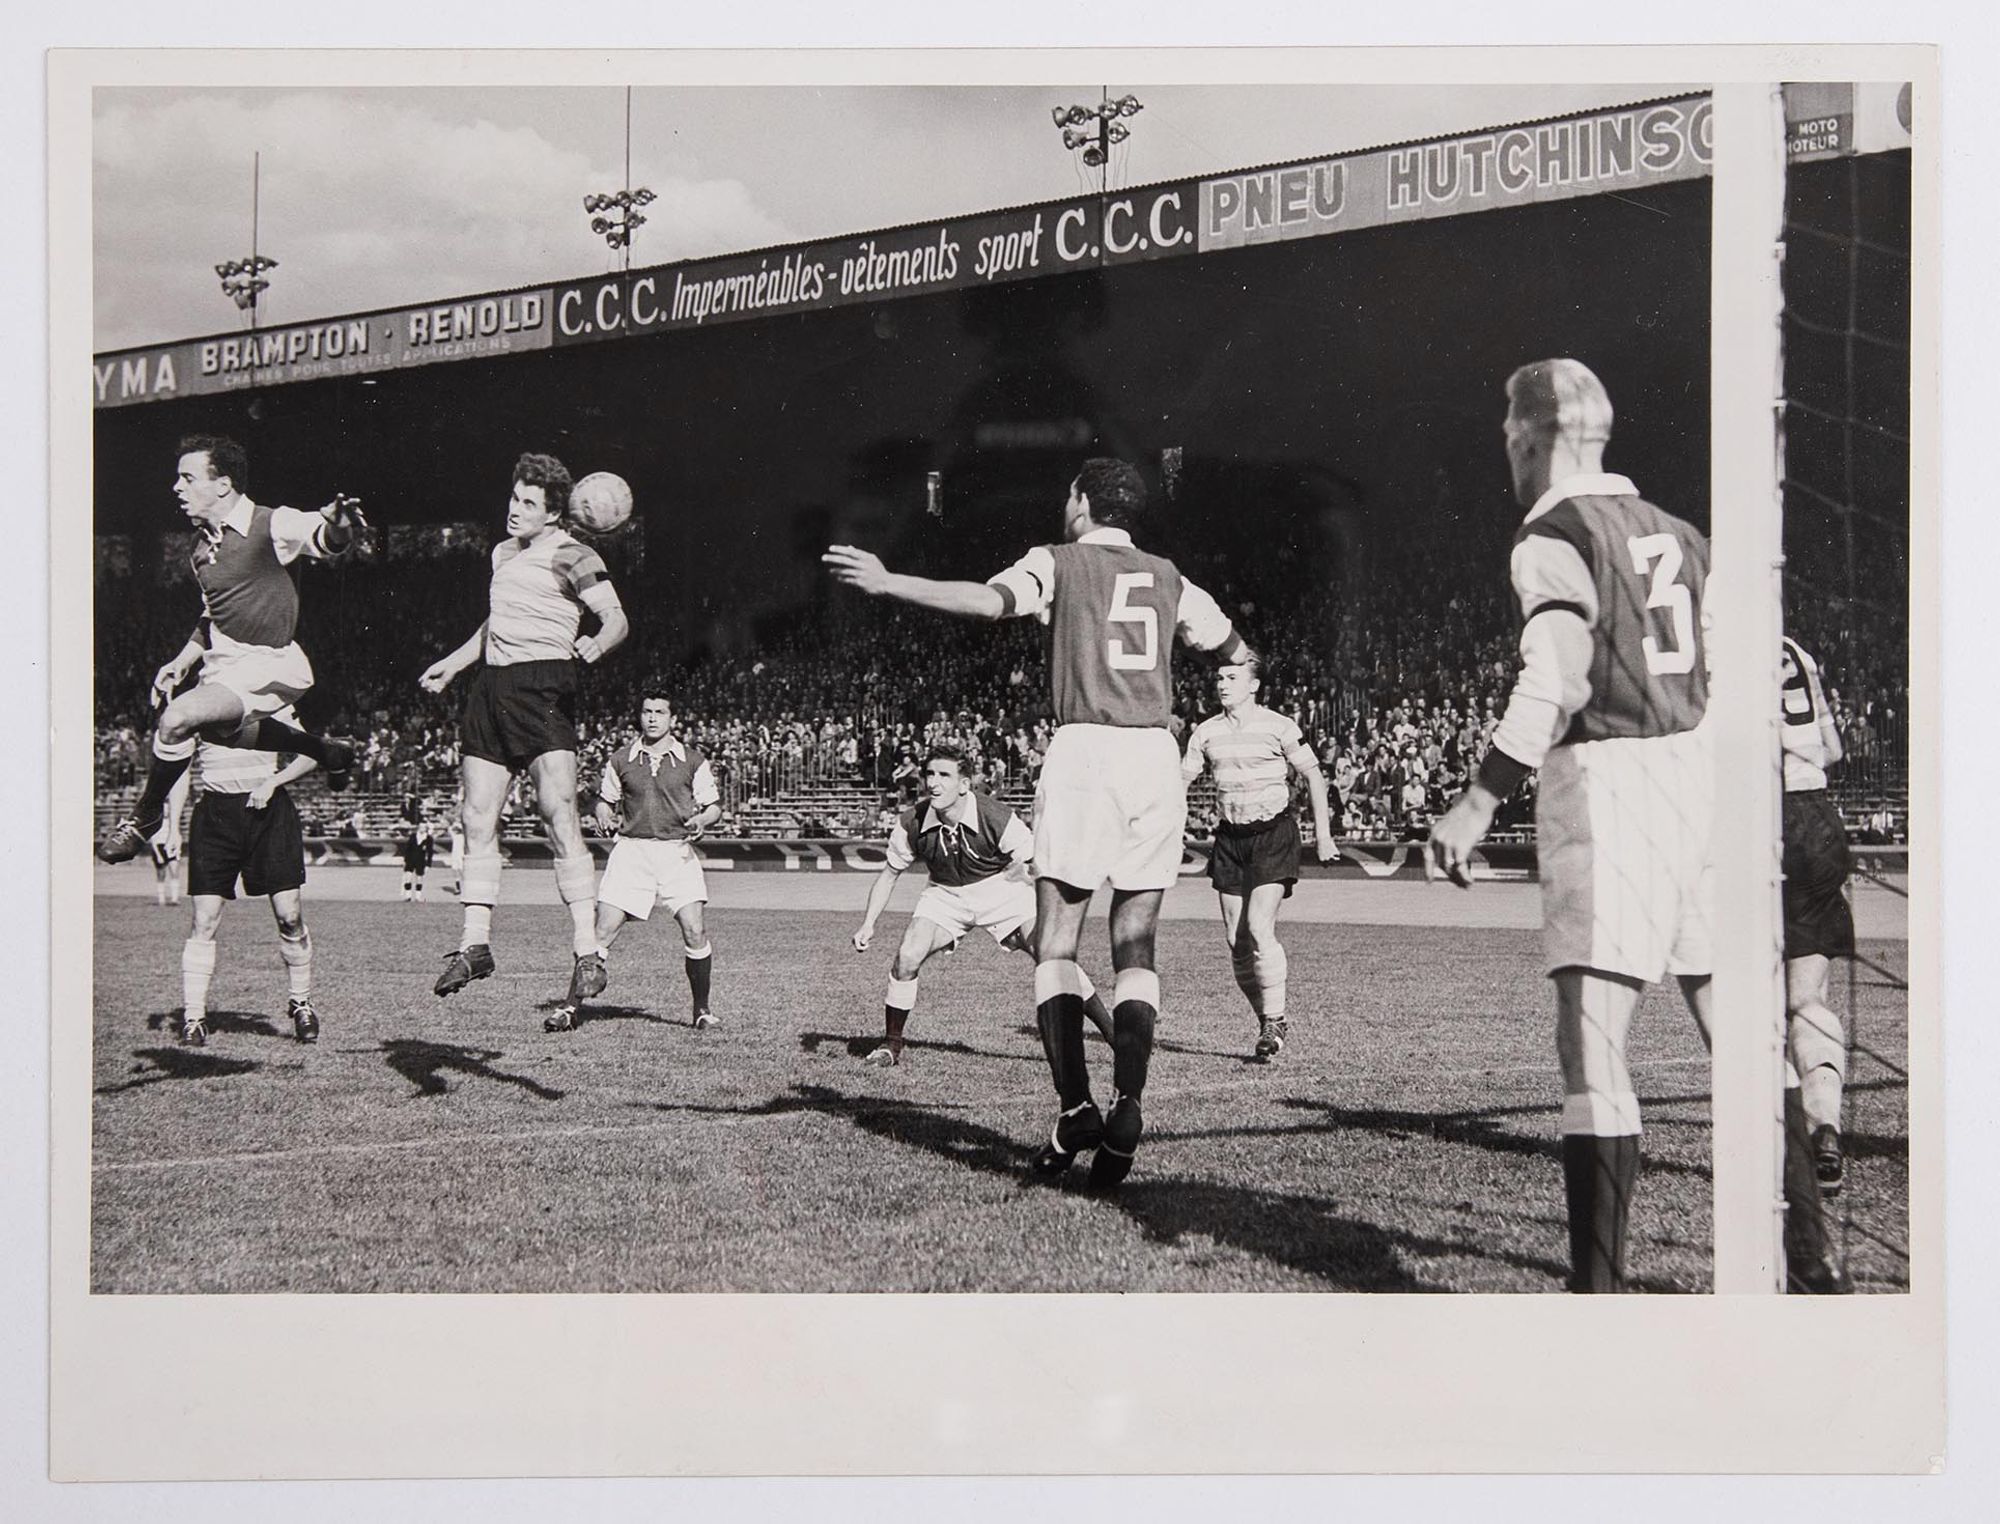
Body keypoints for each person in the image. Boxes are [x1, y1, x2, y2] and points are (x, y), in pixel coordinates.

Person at [1427, 358, 1840, 1294]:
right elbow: (1738, 681)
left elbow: (1561, 669)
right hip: (1707, 783)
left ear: (1532, 434)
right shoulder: (1688, 536)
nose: (1503, 440)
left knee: (1594, 1039)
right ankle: (1811, 1263)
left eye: (1505, 423)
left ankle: (1600, 1299)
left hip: (1611, 784)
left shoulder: (1552, 533)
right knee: (1739, 1032)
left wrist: (1482, 795)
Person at [826, 457, 1252, 1189]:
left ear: (1082, 501)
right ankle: (1129, 1103)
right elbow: (1235, 650)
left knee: (1057, 940)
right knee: (1136, 943)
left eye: (1068, 495)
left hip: (1085, 748)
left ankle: (1075, 1106)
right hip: (1155, 753)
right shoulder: (1170, 575)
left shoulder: (1057, 560)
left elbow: (990, 602)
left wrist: (892, 582)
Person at [419, 453, 630, 1007]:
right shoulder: (502, 554)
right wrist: (456, 662)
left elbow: (615, 618)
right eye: (514, 499)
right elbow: (496, 621)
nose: (514, 510)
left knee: (557, 811)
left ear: (555, 512)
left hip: (544, 684)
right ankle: (474, 946)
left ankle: (587, 952)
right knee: (475, 815)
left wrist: (597, 643)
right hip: (491, 687)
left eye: (528, 504)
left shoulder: (575, 555)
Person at [97, 435, 364, 863]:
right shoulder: (200, 550)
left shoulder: (269, 523)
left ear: (222, 484)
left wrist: (338, 524)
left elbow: (325, 538)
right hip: (224, 665)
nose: (176, 488)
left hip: (268, 662)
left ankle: (146, 816)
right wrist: (181, 660)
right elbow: (212, 616)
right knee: (215, 730)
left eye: (187, 478)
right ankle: (326, 751)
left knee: (178, 719)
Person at [849, 743, 1115, 1067]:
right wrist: (868, 922)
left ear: (964, 784)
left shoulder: (997, 817)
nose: (934, 783)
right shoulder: (911, 822)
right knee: (906, 957)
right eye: (929, 774)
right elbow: (889, 874)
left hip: (1004, 887)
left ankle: (1117, 1038)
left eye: (944, 775)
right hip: (945, 895)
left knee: (1053, 956)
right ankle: (891, 1045)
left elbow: (1038, 865)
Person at [1180, 659, 1339, 1059]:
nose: (1222, 683)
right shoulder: (1206, 732)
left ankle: (1273, 1019)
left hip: (1272, 835)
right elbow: (1180, 782)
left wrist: (1323, 836)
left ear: (1254, 686)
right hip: (1230, 839)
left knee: (1257, 926)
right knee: (1236, 941)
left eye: (1232, 678)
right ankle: (1270, 1021)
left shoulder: (1278, 726)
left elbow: (1314, 776)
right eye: (1218, 676)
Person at [548, 690, 719, 1033]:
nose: (652, 717)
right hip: (631, 851)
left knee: (695, 928)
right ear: (639, 717)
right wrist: (602, 815)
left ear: (673, 720)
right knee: (601, 931)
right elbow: (603, 801)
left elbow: (713, 806)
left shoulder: (693, 760)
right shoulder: (621, 759)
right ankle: (569, 1008)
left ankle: (702, 1011)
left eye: (660, 712)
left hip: (676, 852)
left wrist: (703, 820)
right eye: (647, 712)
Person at [176, 711, 321, 1048]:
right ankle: (194, 1018)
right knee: (204, 919)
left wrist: (273, 781)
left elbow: (312, 752)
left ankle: (301, 1002)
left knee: (290, 916)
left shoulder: (271, 701)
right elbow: (179, 771)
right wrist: (170, 826)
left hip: (269, 812)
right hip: (215, 816)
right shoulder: (200, 707)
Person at [1780, 634, 1856, 1196]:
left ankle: (1775, 1144)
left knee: (1747, 1001)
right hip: (1819, 815)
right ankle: (1824, 1123)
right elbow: (1830, 748)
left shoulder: (1713, 640)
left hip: (1765, 816)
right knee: (1807, 999)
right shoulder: (1799, 649)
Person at [148, 769, 193, 907]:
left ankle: (175, 898)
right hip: (160, 847)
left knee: (175, 871)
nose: (167, 810)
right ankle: (161, 898)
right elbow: (153, 840)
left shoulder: (174, 821)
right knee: (161, 874)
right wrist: (158, 854)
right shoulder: (157, 822)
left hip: (171, 846)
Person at [398, 798, 436, 904]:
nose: (422, 828)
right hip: (411, 859)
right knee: (408, 877)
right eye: (421, 827)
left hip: (420, 860)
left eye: (424, 827)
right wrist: (404, 860)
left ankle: (418, 896)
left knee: (419, 878)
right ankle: (408, 895)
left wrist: (428, 864)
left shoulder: (428, 838)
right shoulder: (413, 836)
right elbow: (408, 849)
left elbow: (430, 852)